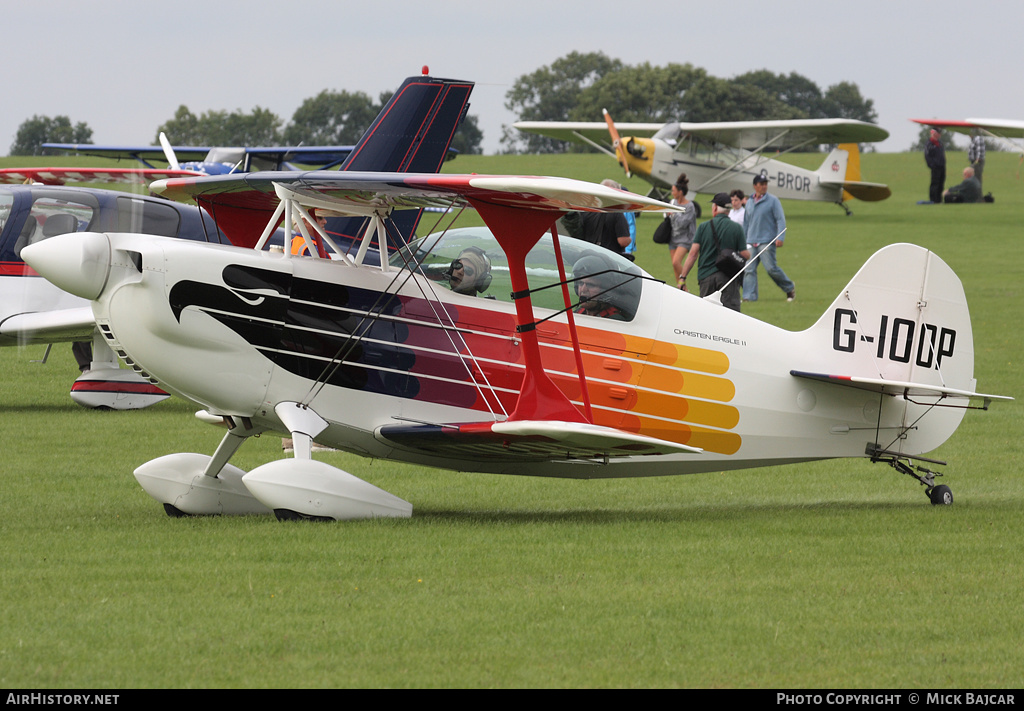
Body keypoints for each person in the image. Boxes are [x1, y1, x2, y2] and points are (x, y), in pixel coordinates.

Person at [678, 193, 750, 312]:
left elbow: (693, 254)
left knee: (707, 316)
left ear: (715, 207)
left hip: (706, 278)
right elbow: (745, 254)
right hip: (729, 278)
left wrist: (682, 278)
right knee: (731, 316)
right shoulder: (736, 228)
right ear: (728, 209)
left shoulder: (703, 227)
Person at [743, 175, 795, 303]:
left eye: (765, 184)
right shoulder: (749, 201)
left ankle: (789, 287)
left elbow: (780, 219)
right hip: (751, 241)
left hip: (767, 241)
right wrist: (743, 241)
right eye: (761, 184)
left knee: (771, 269)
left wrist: (780, 236)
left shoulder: (773, 200)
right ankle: (749, 297)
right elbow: (746, 222)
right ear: (755, 186)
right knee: (749, 269)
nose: (764, 186)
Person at [572, 255, 627, 320]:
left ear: (606, 291)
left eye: (590, 285)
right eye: (581, 283)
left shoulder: (614, 321)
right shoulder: (578, 313)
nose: (583, 289)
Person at [668, 174, 697, 288]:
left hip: (685, 239)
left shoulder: (690, 206)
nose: (672, 193)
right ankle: (681, 290)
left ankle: (684, 287)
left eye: (673, 191)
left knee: (676, 262)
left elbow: (683, 223)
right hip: (673, 238)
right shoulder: (673, 203)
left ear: (680, 192)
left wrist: (673, 214)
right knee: (675, 266)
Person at [602, 179, 637, 261]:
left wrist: (628, 250)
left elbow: (631, 228)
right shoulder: (618, 213)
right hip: (615, 253)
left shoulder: (625, 211)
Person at [925, 128, 946, 204]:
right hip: (935, 167)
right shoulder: (929, 144)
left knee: (941, 183)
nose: (940, 135)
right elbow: (927, 156)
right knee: (935, 184)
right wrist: (932, 165)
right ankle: (933, 200)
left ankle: (939, 200)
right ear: (934, 133)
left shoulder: (940, 143)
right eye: (938, 133)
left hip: (942, 166)